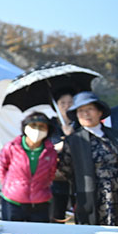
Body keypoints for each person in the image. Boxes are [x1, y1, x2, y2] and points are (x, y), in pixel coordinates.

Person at [59, 91, 118, 234]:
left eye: (89, 109)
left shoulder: (113, 135)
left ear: (99, 112)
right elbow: (65, 169)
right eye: (81, 111)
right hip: (90, 196)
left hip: (116, 194)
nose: (85, 114)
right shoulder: (74, 140)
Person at [0, 112, 57, 222]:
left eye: (42, 127)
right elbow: (2, 167)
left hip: (40, 203)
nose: (37, 130)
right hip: (13, 201)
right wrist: (9, 186)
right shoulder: (12, 147)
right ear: (25, 128)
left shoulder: (50, 151)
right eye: (33, 126)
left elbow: (51, 173)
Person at [50, 87, 77, 221]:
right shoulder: (50, 125)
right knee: (57, 215)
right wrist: (63, 143)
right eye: (63, 103)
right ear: (56, 106)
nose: (67, 106)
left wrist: (71, 136)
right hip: (57, 178)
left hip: (77, 177)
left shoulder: (79, 124)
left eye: (70, 102)